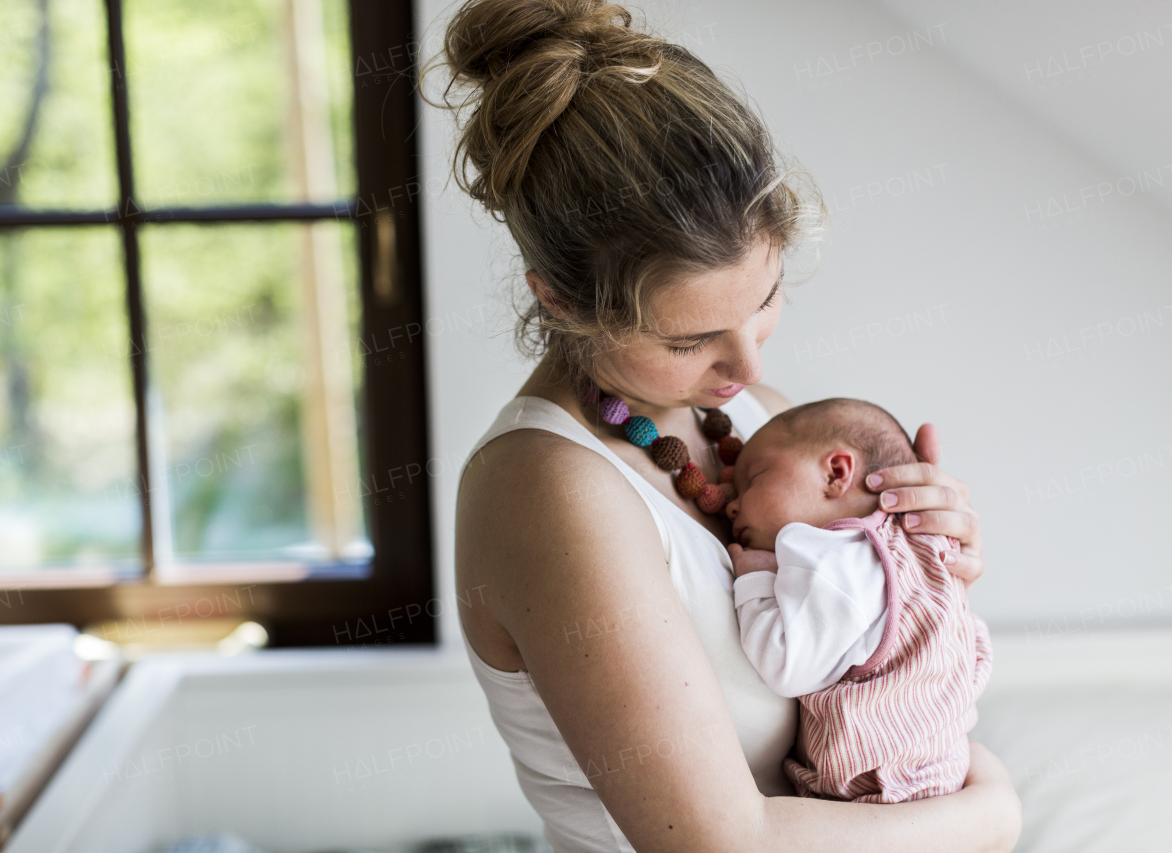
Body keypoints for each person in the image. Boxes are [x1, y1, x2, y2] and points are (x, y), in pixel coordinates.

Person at [432, 1, 1021, 850]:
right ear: (558, 299)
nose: (746, 366)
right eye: (689, 338)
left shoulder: (756, 419)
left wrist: (929, 572)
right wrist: (994, 808)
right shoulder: (547, 488)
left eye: (766, 298)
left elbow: (875, 690)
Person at [723, 398, 992, 804]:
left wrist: (756, 578)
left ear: (836, 472)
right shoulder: (924, 543)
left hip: (876, 791)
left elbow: (785, 664)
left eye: (754, 479)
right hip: (938, 773)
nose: (732, 504)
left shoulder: (836, 557)